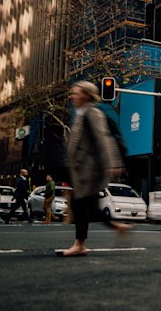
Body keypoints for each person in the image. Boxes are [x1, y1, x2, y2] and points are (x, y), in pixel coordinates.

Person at [61, 81, 130, 257]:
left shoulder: (92, 112)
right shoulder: (82, 113)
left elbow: (103, 138)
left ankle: (79, 245)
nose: (72, 96)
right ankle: (117, 226)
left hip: (89, 169)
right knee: (89, 207)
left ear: (86, 95)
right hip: (82, 169)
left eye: (76, 93)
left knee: (79, 204)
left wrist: (113, 163)